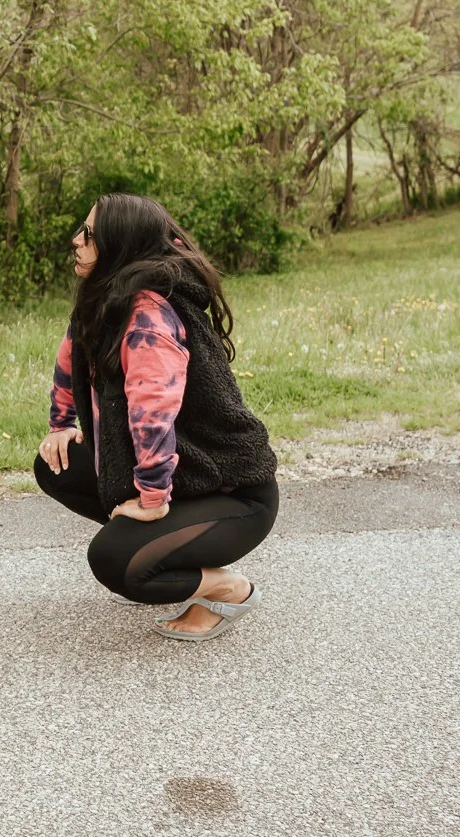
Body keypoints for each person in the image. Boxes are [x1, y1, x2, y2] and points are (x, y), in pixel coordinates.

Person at [33, 192, 279, 641]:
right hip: (186, 477)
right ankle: (151, 556)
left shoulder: (148, 318)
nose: (75, 240)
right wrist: (61, 425)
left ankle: (226, 589)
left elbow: (153, 417)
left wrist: (151, 501)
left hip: (235, 494)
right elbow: (69, 361)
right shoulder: (103, 300)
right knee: (57, 463)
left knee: (110, 560)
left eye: (88, 234)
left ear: (118, 245)